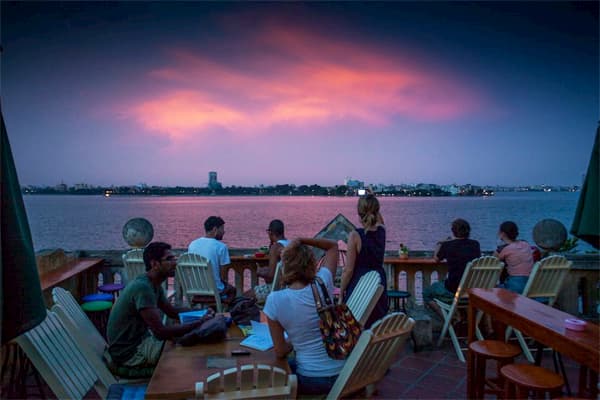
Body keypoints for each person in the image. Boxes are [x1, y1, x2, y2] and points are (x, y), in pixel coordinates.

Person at [106, 242, 215, 369]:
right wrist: (199, 323)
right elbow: (161, 332)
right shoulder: (143, 288)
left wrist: (202, 313)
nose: (175, 262)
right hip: (130, 352)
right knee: (189, 354)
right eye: (169, 259)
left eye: (174, 258)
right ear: (154, 264)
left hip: (140, 341)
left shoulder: (153, 284)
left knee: (192, 341)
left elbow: (172, 312)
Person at [264, 238, 344, 396]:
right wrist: (302, 240)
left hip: (311, 379)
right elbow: (333, 246)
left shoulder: (275, 300)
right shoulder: (323, 282)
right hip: (343, 373)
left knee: (270, 371)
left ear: (285, 266)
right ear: (311, 264)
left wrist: (295, 341)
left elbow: (280, 351)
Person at [339, 190, 388, 328]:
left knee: (356, 323)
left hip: (360, 286)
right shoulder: (382, 231)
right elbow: (379, 219)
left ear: (359, 213)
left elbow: (348, 271)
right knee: (375, 325)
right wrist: (372, 200)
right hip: (378, 283)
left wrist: (342, 291)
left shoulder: (355, 236)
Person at [423, 218, 481, 319]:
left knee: (427, 293)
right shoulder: (475, 244)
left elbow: (436, 258)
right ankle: (458, 317)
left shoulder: (448, 245)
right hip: (472, 290)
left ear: (453, 231)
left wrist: (439, 244)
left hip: (453, 289)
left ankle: (450, 319)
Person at [188, 216, 236, 303]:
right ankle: (223, 311)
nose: (224, 232)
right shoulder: (221, 247)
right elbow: (223, 276)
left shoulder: (192, 244)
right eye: (222, 229)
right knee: (232, 290)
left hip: (195, 289)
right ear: (215, 229)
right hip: (215, 291)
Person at [244, 219, 289, 303]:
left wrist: (259, 272)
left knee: (244, 297)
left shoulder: (275, 247)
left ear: (270, 232)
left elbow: (271, 276)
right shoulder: (290, 244)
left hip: (277, 290)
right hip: (289, 288)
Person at [494, 221, 534, 294]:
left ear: (502, 234)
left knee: (492, 289)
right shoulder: (526, 244)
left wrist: (499, 244)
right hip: (530, 284)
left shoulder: (505, 249)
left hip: (515, 287)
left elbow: (493, 261)